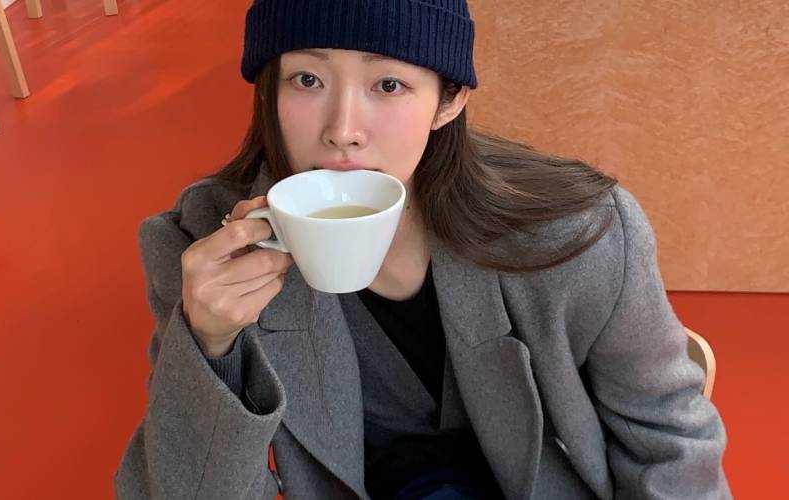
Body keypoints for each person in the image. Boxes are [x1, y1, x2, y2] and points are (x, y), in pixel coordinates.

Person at [115, 1, 730, 499]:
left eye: (388, 83)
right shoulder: (204, 246)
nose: (342, 130)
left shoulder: (576, 236)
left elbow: (668, 438)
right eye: (308, 79)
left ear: (449, 100)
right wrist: (211, 349)